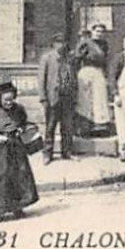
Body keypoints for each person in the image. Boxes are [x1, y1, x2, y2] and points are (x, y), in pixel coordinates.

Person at [0, 81, 39, 223]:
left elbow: (24, 123)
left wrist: (23, 130)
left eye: (11, 99)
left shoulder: (19, 109)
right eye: (6, 100)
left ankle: (18, 207)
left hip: (15, 147)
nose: (9, 103)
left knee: (19, 176)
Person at [37, 33, 78, 164]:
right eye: (58, 42)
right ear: (54, 44)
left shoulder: (69, 58)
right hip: (53, 98)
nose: (61, 45)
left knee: (67, 127)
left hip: (67, 98)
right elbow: (41, 79)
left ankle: (67, 152)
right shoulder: (47, 58)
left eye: (63, 42)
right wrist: (43, 98)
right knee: (50, 127)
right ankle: (47, 154)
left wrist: (74, 96)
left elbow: (74, 78)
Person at [75, 22, 111, 137]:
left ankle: (99, 128)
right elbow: (77, 57)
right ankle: (84, 128)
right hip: (86, 71)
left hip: (98, 71)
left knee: (99, 100)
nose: (99, 34)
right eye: (97, 31)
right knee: (85, 100)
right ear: (92, 32)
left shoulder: (104, 44)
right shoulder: (85, 43)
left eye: (101, 32)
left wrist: (106, 74)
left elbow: (105, 60)